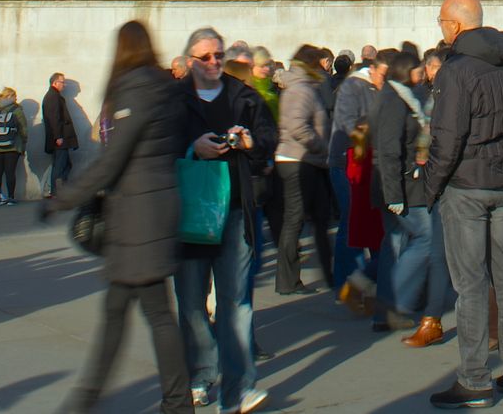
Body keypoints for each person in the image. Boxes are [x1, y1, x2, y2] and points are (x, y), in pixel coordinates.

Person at [43, 21, 195, 413]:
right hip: (154, 208)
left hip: (137, 216)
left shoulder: (135, 89)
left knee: (149, 317)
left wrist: (62, 199)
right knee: (131, 314)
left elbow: (112, 161)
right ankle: (95, 400)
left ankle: (169, 403)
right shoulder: (164, 88)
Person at [422, 0, 503, 407]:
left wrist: (430, 187)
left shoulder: (456, 71)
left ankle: (474, 379)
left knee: (469, 285)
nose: (441, 27)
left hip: (466, 187)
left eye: (441, 21)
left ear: (453, 25)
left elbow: (446, 137)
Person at [176, 26, 277, 414]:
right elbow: (157, 148)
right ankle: (201, 374)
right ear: (190, 62)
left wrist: (252, 143)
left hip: (234, 208)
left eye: (218, 55)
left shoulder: (245, 97)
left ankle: (238, 389)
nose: (214, 62)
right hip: (189, 212)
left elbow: (269, 138)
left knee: (236, 302)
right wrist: (192, 147)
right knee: (191, 302)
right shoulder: (174, 100)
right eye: (206, 57)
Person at [371, 45, 452, 347]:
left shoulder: (399, 97)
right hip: (401, 186)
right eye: (419, 71)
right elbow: (390, 149)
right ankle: (396, 300)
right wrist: (394, 194)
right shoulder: (394, 100)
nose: (423, 75)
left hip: (399, 185)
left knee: (395, 243)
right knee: (425, 239)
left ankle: (383, 308)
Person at [274, 43, 336, 295]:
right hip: (299, 160)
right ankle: (289, 279)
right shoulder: (300, 89)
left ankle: (329, 273)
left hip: (306, 159)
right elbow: (297, 126)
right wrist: (320, 146)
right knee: (296, 219)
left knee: (317, 218)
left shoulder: (302, 87)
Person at [328, 50, 385, 313]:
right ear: (372, 70)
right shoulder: (353, 87)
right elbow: (349, 124)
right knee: (351, 225)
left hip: (367, 163)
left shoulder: (373, 87)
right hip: (348, 162)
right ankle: (346, 283)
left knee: (369, 225)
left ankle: (371, 287)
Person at [44, 72, 79, 197]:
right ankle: (56, 192)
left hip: (60, 137)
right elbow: (54, 118)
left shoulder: (55, 96)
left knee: (66, 165)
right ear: (55, 83)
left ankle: (61, 190)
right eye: (62, 82)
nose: (64, 85)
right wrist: (58, 136)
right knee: (60, 165)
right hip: (60, 138)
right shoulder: (53, 97)